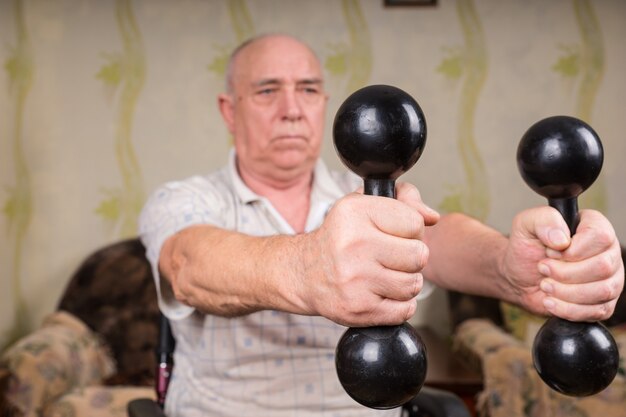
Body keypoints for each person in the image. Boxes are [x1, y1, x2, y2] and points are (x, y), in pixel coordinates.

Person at [139, 34, 624, 417]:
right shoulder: (186, 199)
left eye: (307, 89)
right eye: (267, 90)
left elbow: (435, 236)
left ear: (323, 104)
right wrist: (308, 270)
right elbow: (189, 264)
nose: (292, 108)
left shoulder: (368, 200)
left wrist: (509, 268)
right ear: (230, 109)